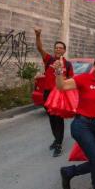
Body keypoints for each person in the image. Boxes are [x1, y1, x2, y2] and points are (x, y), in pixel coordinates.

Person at [56, 54, 95, 189]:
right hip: (82, 125)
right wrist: (58, 72)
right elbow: (61, 86)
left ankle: (68, 172)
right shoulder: (84, 79)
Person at [34, 27, 74, 157]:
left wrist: (62, 76)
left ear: (64, 50)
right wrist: (38, 35)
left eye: (60, 48)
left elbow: (71, 80)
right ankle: (56, 139)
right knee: (51, 119)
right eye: (56, 47)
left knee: (58, 120)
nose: (58, 49)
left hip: (59, 96)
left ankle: (59, 143)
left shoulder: (67, 64)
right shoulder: (49, 60)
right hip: (48, 94)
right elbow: (40, 49)